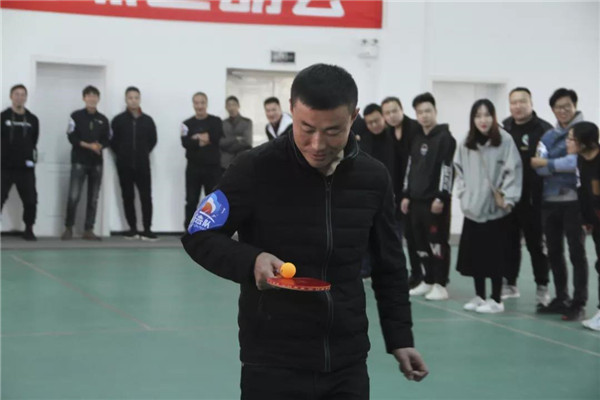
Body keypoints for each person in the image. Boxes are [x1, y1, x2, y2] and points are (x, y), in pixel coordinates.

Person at [182, 64, 428, 399]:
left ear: (353, 117)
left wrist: (400, 338)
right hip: (272, 360)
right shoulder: (254, 168)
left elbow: (390, 264)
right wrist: (252, 261)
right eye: (306, 128)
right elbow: (199, 235)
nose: (317, 144)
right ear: (291, 110)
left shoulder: (373, 178)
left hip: (347, 360)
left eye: (333, 131)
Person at [455, 99, 522, 314]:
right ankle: (479, 295)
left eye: (487, 115)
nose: (482, 120)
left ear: (494, 117)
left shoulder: (505, 140)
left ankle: (496, 299)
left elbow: (514, 170)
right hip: (473, 209)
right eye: (478, 116)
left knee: (495, 255)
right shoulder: (466, 142)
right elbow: (458, 170)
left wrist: (508, 198)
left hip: (495, 210)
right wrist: (464, 195)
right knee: (476, 255)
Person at [531, 88, 589, 321]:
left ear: (575, 106)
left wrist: (549, 163)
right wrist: (555, 164)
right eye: (558, 107)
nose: (563, 111)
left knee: (577, 253)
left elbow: (576, 162)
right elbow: (537, 166)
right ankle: (561, 297)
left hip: (575, 202)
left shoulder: (585, 132)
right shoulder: (548, 136)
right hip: (550, 201)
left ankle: (579, 302)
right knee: (553, 251)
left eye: (567, 106)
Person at [401, 92, 456, 301]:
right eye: (420, 112)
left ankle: (440, 284)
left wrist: (441, 197)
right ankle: (428, 279)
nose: (424, 115)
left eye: (428, 111)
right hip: (416, 201)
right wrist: (406, 194)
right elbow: (410, 167)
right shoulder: (417, 138)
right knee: (419, 243)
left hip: (435, 202)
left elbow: (447, 169)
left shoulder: (445, 139)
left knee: (437, 243)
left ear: (435, 111)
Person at [501, 87, 552, 305]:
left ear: (531, 103)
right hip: (510, 197)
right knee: (509, 243)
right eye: (513, 102)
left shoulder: (544, 130)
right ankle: (510, 284)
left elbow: (548, 164)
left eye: (522, 101)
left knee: (536, 245)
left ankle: (542, 286)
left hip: (534, 199)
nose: (518, 106)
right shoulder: (504, 127)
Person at [381, 96, 422, 288]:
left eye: (394, 111)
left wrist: (409, 191)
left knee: (416, 237)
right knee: (402, 237)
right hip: (395, 191)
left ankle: (423, 275)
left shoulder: (415, 128)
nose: (391, 115)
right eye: (387, 113)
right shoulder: (387, 132)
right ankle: (410, 273)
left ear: (401, 109)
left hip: (414, 190)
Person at [61, 85, 110, 241]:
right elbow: (71, 137)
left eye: (94, 96)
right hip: (79, 161)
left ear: (98, 99)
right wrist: (89, 146)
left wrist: (100, 146)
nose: (92, 99)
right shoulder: (75, 116)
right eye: (89, 96)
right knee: (73, 196)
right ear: (84, 98)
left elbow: (108, 138)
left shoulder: (103, 119)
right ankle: (68, 228)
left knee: (93, 198)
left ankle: (89, 229)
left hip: (97, 163)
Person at [110, 86, 158, 241]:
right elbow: (112, 141)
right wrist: (122, 153)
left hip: (143, 165)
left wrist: (142, 153)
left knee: (146, 197)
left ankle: (147, 229)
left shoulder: (148, 120)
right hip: (124, 165)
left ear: (140, 99)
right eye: (130, 98)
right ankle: (132, 228)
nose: (133, 101)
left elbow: (153, 140)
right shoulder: (118, 120)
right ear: (126, 99)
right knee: (127, 196)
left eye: (136, 98)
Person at [567, 122, 600, 330]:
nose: (568, 142)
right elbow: (583, 191)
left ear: (585, 142)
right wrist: (586, 219)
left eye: (571, 139)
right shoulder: (581, 160)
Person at [360, 103, 395, 278]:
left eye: (377, 121)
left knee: (389, 236)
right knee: (366, 235)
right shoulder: (364, 139)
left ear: (383, 117)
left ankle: (388, 270)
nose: (374, 125)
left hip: (392, 195)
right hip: (368, 195)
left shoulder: (394, 137)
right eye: (370, 123)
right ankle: (366, 269)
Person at [1, 84, 39, 241]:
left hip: (26, 168)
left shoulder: (32, 119)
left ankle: (29, 229)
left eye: (23, 94)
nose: (20, 97)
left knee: (31, 200)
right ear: (11, 96)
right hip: (5, 166)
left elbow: (34, 140)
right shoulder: (2, 117)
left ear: (26, 98)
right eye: (16, 94)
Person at [181, 92, 223, 229]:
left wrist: (196, 138)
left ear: (206, 103)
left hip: (212, 168)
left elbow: (216, 137)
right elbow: (186, 143)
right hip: (193, 168)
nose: (199, 106)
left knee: (213, 201)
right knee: (191, 200)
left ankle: (214, 231)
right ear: (193, 104)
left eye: (202, 103)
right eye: (197, 103)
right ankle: (189, 231)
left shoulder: (216, 121)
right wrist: (205, 138)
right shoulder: (186, 124)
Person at [220, 96, 252, 171]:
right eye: (229, 105)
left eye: (234, 104)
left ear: (238, 106)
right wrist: (236, 139)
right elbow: (221, 143)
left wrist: (228, 146)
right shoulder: (222, 123)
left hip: (242, 161)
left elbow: (247, 142)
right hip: (225, 164)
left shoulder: (247, 122)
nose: (231, 108)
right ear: (226, 107)